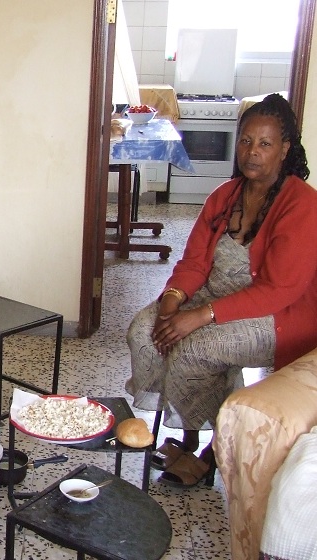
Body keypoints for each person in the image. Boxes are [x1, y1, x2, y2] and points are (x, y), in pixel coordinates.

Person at [126, 93, 317, 487]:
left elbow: (277, 290)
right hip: (213, 295)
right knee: (144, 331)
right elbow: (195, 262)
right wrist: (174, 300)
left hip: (277, 315)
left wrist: (198, 317)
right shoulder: (225, 196)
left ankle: (217, 450)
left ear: (284, 150)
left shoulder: (302, 205)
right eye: (246, 140)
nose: (252, 152)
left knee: (198, 347)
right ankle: (188, 435)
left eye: (265, 144)